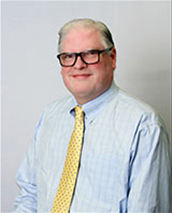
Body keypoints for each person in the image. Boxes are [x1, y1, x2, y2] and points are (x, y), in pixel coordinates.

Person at [12, 18, 171, 212]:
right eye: (69, 56)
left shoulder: (144, 126)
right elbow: (30, 195)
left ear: (112, 58)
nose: (78, 65)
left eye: (89, 54)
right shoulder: (50, 116)